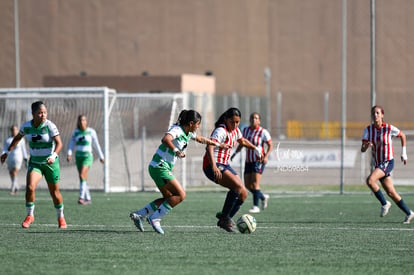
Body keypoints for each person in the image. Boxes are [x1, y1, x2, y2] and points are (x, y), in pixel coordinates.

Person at [129, 110, 229, 234]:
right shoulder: (177, 130)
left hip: (156, 167)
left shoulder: (188, 132)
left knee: (169, 198)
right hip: (161, 167)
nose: (199, 126)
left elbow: (200, 139)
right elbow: (165, 139)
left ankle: (139, 214)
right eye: (198, 124)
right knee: (181, 195)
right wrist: (176, 150)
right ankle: (155, 218)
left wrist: (218, 144)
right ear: (191, 123)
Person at [0, 101, 67, 229]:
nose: (43, 115)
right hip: (35, 163)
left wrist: (53, 156)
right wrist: (6, 152)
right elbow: (17, 138)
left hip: (50, 164)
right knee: (30, 187)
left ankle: (61, 217)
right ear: (33, 114)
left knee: (55, 193)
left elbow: (59, 144)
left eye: (45, 113)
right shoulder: (26, 126)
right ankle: (30, 215)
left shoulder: (50, 126)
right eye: (40, 113)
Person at [203, 107, 263, 232]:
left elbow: (242, 141)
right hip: (211, 165)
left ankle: (226, 216)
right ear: (226, 119)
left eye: (237, 122)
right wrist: (214, 166)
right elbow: (209, 147)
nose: (235, 125)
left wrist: (255, 148)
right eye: (232, 122)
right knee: (236, 186)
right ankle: (225, 218)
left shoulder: (236, 131)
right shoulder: (220, 130)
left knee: (243, 193)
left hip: (224, 165)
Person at [361, 105, 414, 224]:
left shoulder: (389, 128)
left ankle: (385, 203)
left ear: (382, 115)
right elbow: (362, 149)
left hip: (388, 162)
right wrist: (366, 145)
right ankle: (409, 213)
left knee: (370, 180)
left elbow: (403, 135)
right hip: (379, 164)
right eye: (373, 113)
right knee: (391, 192)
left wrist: (404, 153)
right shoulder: (368, 130)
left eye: (378, 113)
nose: (375, 115)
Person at [231, 112, 273, 213]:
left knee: (255, 184)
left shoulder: (263, 132)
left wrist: (266, 156)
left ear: (259, 121)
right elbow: (242, 143)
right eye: (252, 118)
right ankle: (262, 196)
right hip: (248, 160)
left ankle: (256, 206)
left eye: (256, 118)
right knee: (247, 185)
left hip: (258, 160)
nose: (254, 120)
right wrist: (235, 153)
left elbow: (270, 145)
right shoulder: (245, 130)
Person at [67, 114, 105, 205]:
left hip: (87, 157)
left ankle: (81, 197)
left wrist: (101, 156)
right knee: (82, 177)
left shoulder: (91, 132)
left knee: (82, 174)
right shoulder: (75, 132)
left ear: (86, 121)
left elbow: (96, 144)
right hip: (78, 157)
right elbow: (71, 143)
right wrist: (69, 153)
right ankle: (87, 198)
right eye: (80, 120)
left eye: (84, 120)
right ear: (78, 122)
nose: (82, 122)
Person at [2, 125, 28, 195]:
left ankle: (13, 189)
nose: (14, 131)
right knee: (11, 173)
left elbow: (23, 149)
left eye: (16, 129)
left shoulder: (21, 139)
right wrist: (3, 155)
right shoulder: (8, 140)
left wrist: (25, 158)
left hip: (18, 157)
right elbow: (4, 149)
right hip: (10, 158)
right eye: (13, 130)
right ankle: (16, 186)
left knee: (14, 172)